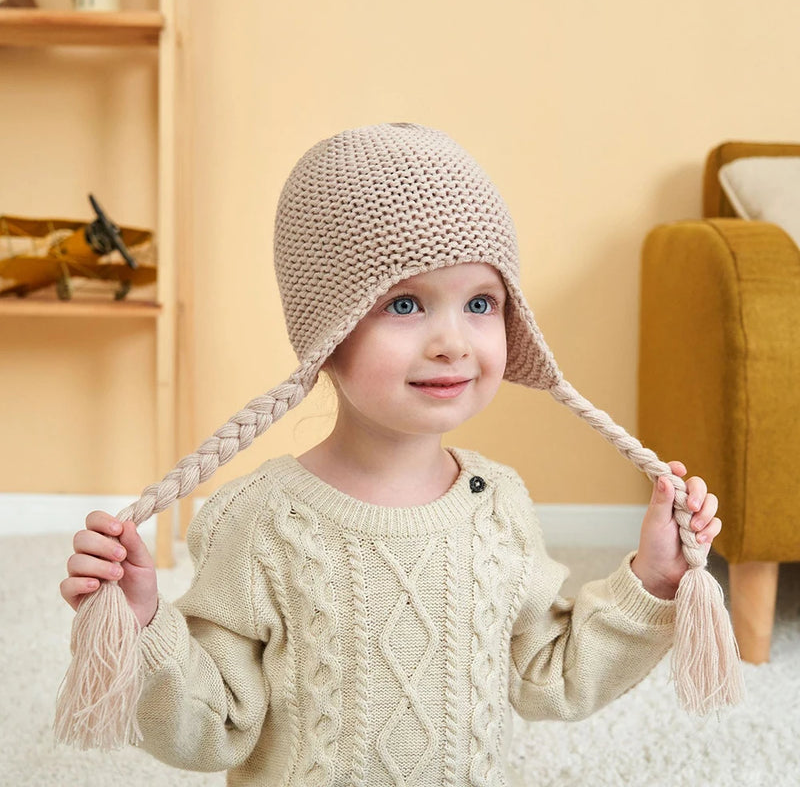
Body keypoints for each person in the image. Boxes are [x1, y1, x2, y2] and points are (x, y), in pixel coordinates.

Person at [60, 124, 721, 786]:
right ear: (330, 333)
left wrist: (651, 579)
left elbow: (550, 675)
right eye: (405, 304)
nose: (452, 342)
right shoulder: (260, 520)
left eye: (481, 303)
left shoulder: (499, 506)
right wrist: (142, 623)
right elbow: (216, 728)